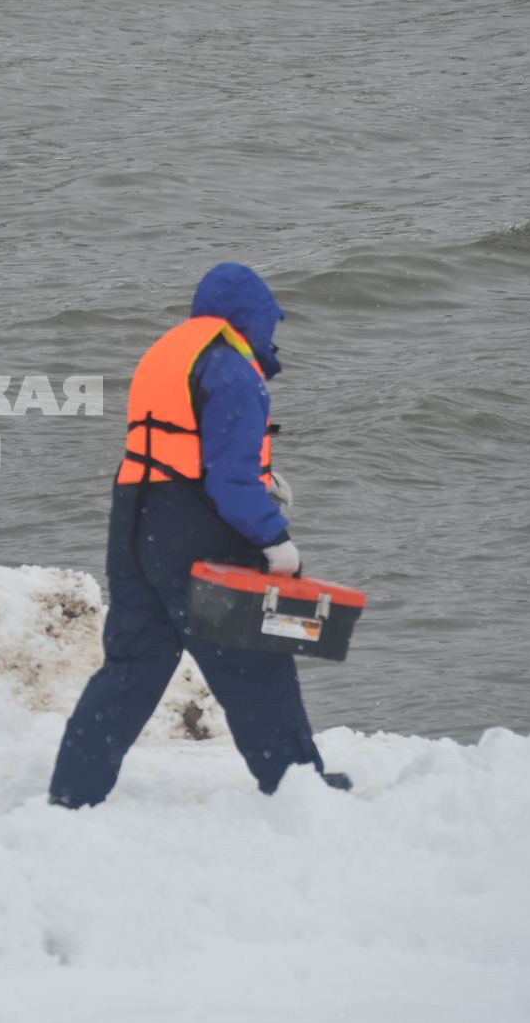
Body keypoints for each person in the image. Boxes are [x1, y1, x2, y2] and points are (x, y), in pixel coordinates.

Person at [48, 262, 349, 808]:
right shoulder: (234, 372)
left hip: (136, 524)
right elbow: (228, 479)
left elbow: (177, 454)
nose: (272, 334)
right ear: (250, 319)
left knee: (133, 666)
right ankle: (300, 791)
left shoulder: (173, 356)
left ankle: (73, 792)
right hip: (194, 532)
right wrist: (275, 539)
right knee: (254, 664)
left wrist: (262, 482)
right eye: (268, 321)